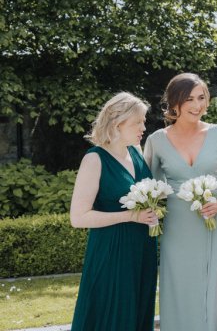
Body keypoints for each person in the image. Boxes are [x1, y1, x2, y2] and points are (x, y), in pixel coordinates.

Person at [143, 73, 217, 330]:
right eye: (189, 99)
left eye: (202, 98)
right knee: (182, 287)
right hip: (179, 228)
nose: (197, 105)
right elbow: (149, 187)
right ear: (174, 103)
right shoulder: (156, 140)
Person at [70, 92, 158, 331]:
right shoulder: (95, 159)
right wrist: (131, 216)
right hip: (112, 251)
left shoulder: (136, 153)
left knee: (138, 313)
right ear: (118, 123)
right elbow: (78, 217)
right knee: (110, 314)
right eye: (138, 122)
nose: (143, 127)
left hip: (142, 249)